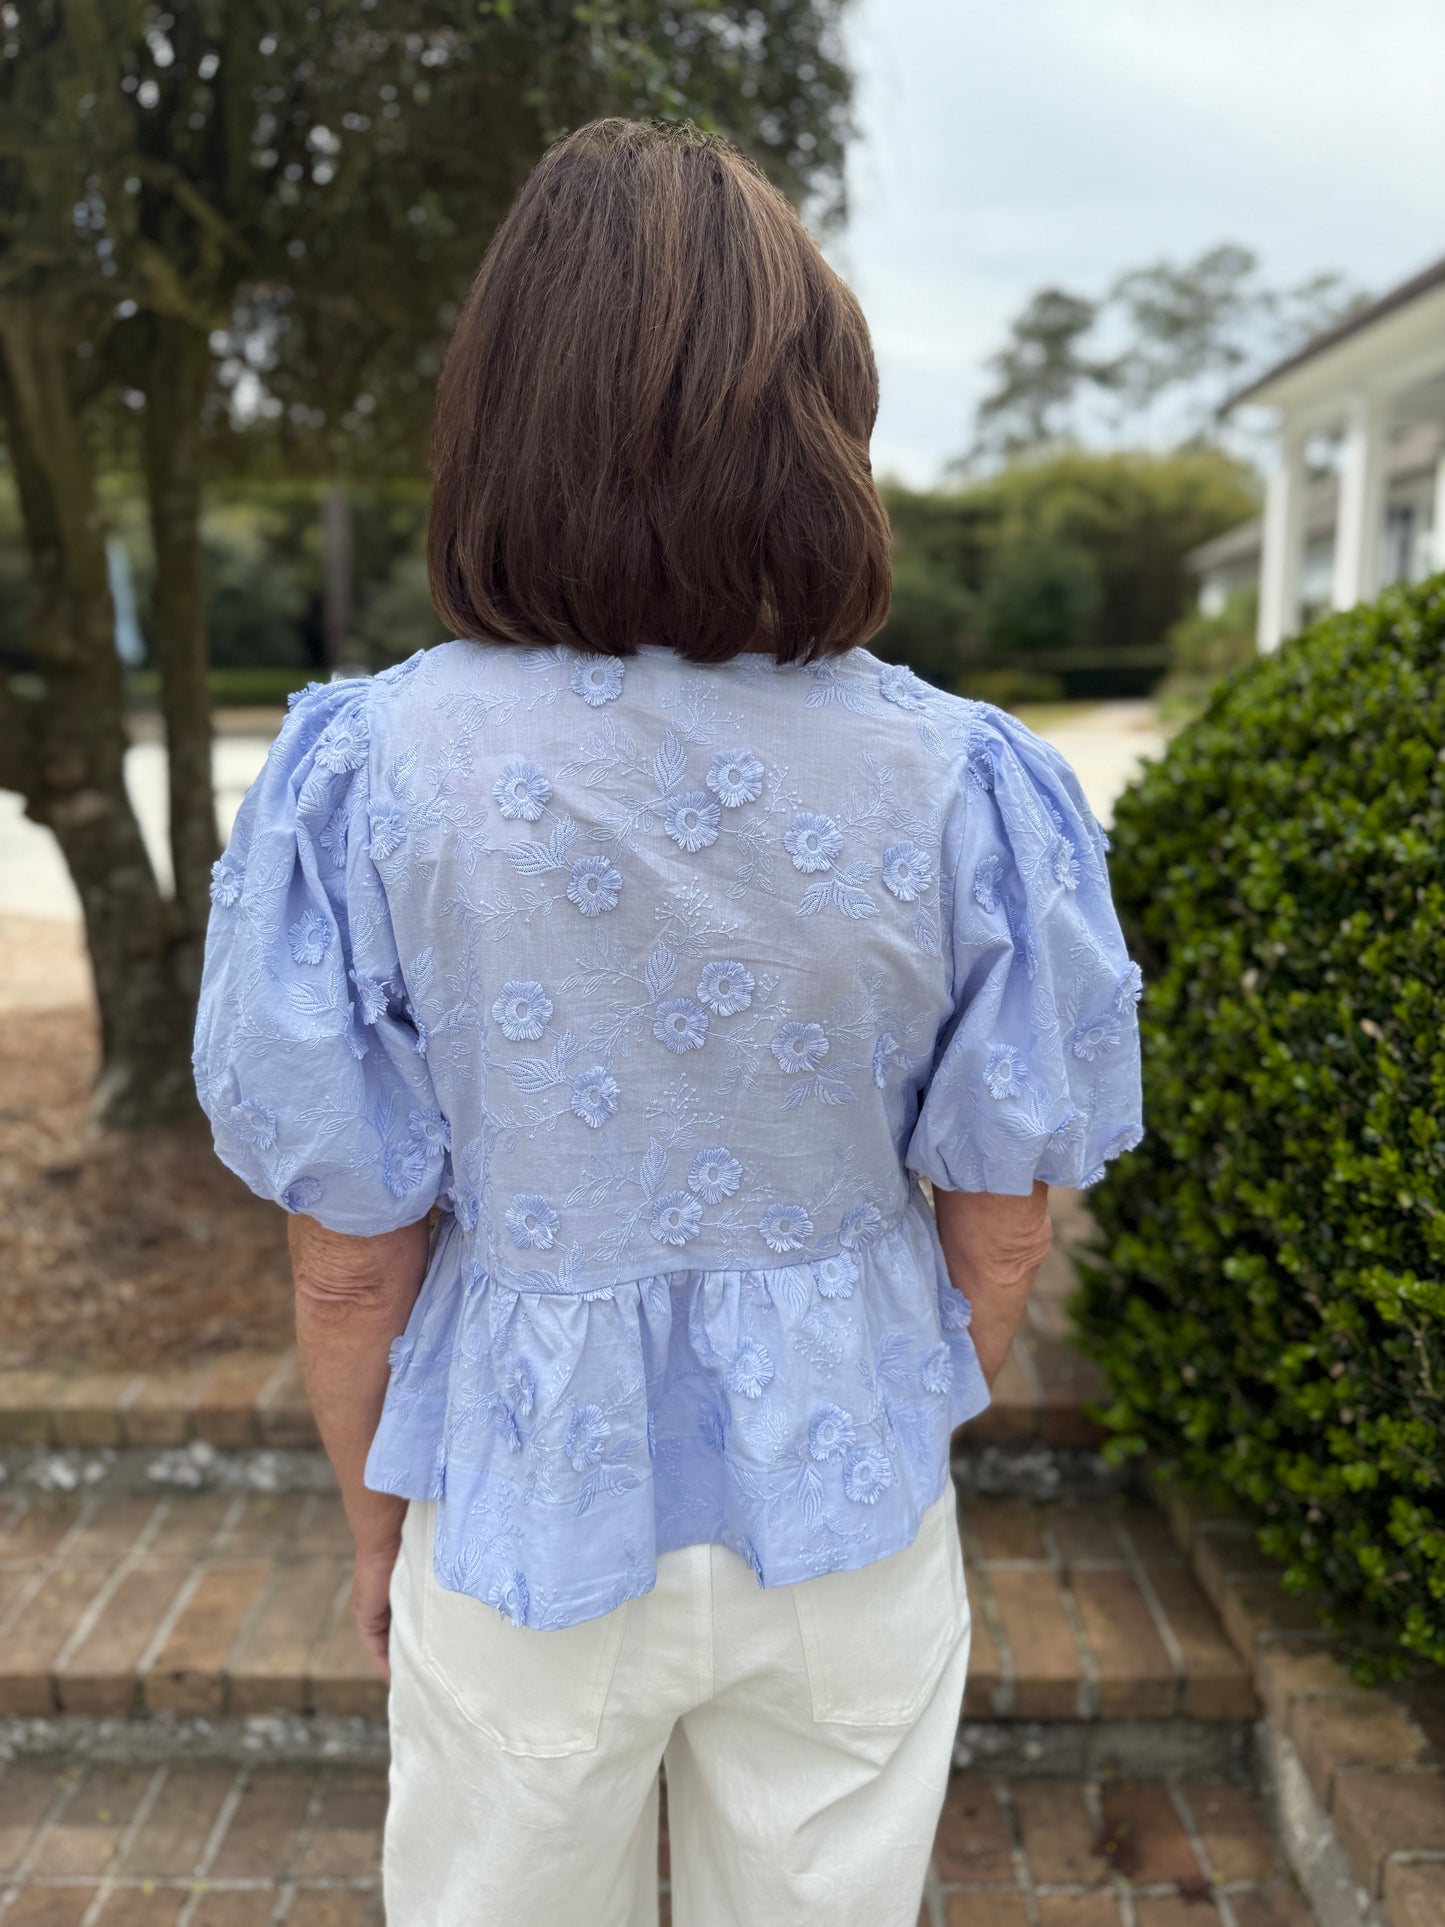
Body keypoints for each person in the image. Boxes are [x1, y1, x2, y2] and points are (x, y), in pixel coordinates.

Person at [193, 118, 1143, 1927]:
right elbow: (1003, 1219)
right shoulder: (963, 779)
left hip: (524, 1500)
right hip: (847, 1505)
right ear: (821, 415)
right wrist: (888, 1404)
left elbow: (346, 1254)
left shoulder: (372, 769)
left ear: (497, 420)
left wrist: (380, 1523)